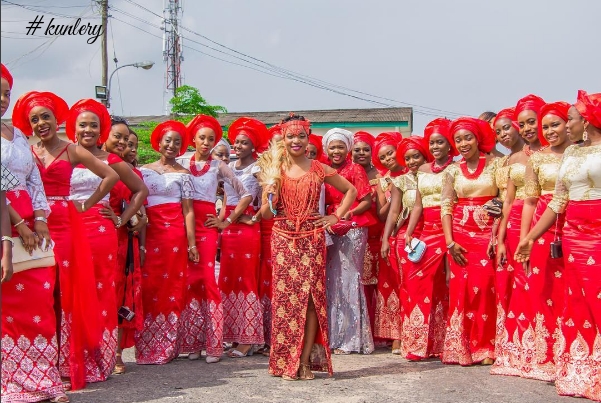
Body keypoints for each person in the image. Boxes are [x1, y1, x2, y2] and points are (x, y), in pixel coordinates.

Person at [13, 90, 118, 392]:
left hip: (66, 224)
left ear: (57, 120)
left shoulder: (71, 149)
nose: (41, 123)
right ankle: (43, 362)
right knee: (42, 292)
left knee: (68, 292)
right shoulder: (29, 152)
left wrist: (85, 204)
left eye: (45, 117)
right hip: (37, 223)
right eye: (34, 120)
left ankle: (72, 363)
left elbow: (109, 176)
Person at [515, 90, 601, 401]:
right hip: (574, 235)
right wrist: (530, 237)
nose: (566, 126)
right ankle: (583, 374)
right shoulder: (572, 155)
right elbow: (558, 201)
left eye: (571, 120)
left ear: (586, 122)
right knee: (578, 302)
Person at [258, 114, 357, 380]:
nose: (296, 141)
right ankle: (284, 361)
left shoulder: (319, 168)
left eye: (301, 136)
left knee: (312, 301)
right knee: (285, 302)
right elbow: (266, 215)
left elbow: (351, 191)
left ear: (308, 138)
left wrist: (336, 216)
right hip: (282, 238)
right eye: (291, 136)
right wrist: (270, 194)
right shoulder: (274, 171)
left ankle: (303, 362)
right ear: (284, 139)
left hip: (312, 238)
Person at [1, 64, 69, 403]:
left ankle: (44, 379)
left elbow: (32, 180)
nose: (1, 100)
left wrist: (41, 217)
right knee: (9, 307)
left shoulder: (17, 135)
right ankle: (13, 382)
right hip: (5, 223)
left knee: (42, 302)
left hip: (32, 222)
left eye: (6, 94)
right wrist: (20, 225)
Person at [66, 99, 147, 382]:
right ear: (73, 128)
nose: (88, 130)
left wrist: (122, 220)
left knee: (101, 293)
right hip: (66, 230)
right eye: (83, 125)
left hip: (100, 231)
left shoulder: (109, 159)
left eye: (94, 126)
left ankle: (100, 357)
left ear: (100, 130)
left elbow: (140, 190)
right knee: (68, 293)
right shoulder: (64, 153)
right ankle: (70, 357)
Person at [492, 102, 571, 381]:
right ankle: (533, 349)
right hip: (523, 226)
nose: (527, 129)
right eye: (521, 124)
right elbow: (513, 201)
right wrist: (506, 237)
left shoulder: (573, 152)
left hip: (567, 224)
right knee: (530, 286)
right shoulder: (518, 159)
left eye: (531, 122)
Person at [178, 114, 252, 363]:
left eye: (211, 139)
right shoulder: (181, 163)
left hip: (208, 227)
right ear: (193, 139)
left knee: (207, 280)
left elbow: (245, 195)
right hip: (183, 226)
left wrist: (226, 221)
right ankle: (193, 343)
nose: (206, 142)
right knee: (189, 283)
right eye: (202, 138)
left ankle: (213, 344)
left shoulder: (219, 166)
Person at [136, 121, 198, 365]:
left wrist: (192, 244)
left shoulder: (184, 175)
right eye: (167, 141)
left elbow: (189, 211)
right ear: (158, 143)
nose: (171, 145)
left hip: (173, 234)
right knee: (149, 287)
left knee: (171, 288)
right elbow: (138, 202)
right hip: (148, 232)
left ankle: (168, 346)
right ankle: (146, 345)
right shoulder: (143, 170)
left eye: (177, 142)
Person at [440, 117, 499, 366]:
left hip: (487, 234)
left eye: (468, 138)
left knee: (486, 288)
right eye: (458, 139)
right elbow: (446, 206)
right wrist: (449, 242)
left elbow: (505, 199)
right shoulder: (452, 170)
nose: (463, 143)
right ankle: (461, 348)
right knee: (461, 291)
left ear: (478, 139)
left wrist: (497, 233)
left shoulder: (496, 165)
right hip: (460, 235)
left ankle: (486, 346)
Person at [402, 119, 454, 361]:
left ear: (449, 144)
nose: (435, 147)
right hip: (428, 232)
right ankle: (418, 343)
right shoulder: (422, 171)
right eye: (432, 143)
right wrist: (411, 232)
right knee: (418, 283)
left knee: (447, 285)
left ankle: (444, 343)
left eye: (440, 142)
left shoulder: (456, 168)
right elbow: (418, 205)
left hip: (452, 228)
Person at [103, 116, 148, 375]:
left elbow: (142, 209)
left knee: (122, 294)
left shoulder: (130, 171)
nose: (122, 143)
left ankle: (117, 352)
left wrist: (127, 219)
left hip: (122, 239)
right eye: (116, 137)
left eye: (126, 138)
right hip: (94, 234)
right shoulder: (91, 161)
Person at [323, 128, 374, 355]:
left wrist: (348, 215)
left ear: (348, 149)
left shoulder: (355, 169)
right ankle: (334, 337)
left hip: (352, 229)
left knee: (350, 280)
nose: (336, 151)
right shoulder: (322, 171)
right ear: (326, 149)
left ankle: (352, 340)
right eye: (332, 147)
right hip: (330, 228)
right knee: (332, 282)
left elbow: (366, 200)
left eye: (340, 147)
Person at [218, 117, 267, 357]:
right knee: (228, 279)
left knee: (246, 280)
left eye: (244, 142)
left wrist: (256, 217)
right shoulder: (229, 167)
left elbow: (269, 198)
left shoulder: (259, 168)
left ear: (253, 146)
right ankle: (232, 334)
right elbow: (227, 198)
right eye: (236, 142)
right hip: (228, 227)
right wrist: (221, 224)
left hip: (247, 228)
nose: (238, 146)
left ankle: (248, 338)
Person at [372, 131, 406, 354]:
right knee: (391, 283)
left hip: (414, 232)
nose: (387, 159)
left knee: (408, 285)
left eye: (390, 153)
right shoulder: (381, 180)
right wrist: (396, 196)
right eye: (382, 157)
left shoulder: (413, 172)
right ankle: (395, 335)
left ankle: (410, 332)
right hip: (390, 234)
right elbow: (382, 214)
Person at [490, 108, 524, 317]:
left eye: (506, 128)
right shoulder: (501, 161)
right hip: (501, 221)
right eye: (498, 132)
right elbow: (500, 195)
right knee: (503, 277)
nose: (503, 134)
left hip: (523, 218)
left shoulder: (533, 155)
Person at [351, 131, 379, 335]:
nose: (361, 153)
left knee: (377, 281)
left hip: (377, 231)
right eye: (357, 149)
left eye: (366, 149)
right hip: (353, 230)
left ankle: (376, 330)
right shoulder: (346, 173)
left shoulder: (381, 175)